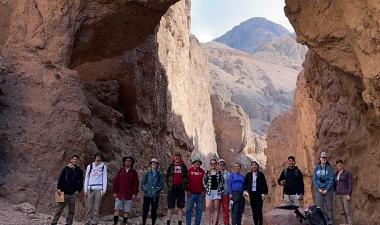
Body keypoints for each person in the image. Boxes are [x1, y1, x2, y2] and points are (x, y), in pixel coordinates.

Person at [51, 155, 83, 225]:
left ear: (78, 161)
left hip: (73, 194)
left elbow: (80, 181)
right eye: (74, 159)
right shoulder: (66, 169)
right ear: (71, 160)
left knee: (71, 210)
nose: (75, 160)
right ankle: (54, 222)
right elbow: (61, 179)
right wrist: (59, 188)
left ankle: (68, 223)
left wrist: (78, 190)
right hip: (63, 192)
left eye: (76, 159)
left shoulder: (79, 171)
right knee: (59, 209)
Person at [113, 156, 139, 225]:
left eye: (129, 161)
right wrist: (114, 191)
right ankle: (115, 223)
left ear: (131, 163)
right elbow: (116, 182)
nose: (127, 162)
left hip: (129, 194)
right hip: (120, 193)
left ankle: (124, 223)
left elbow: (136, 184)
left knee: (126, 211)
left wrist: (134, 194)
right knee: (116, 209)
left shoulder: (134, 172)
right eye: (126, 161)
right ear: (124, 162)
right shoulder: (120, 171)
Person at [165, 152, 189, 225]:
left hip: (180, 189)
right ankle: (168, 222)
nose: (177, 157)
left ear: (180, 157)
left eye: (178, 156)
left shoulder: (184, 166)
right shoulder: (171, 166)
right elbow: (166, 176)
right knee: (170, 207)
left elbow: (187, 177)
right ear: (174, 157)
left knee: (180, 207)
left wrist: (183, 185)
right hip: (171, 189)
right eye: (176, 156)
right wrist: (169, 184)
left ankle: (180, 223)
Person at [83, 152, 107, 225]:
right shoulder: (90, 166)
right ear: (95, 157)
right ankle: (86, 221)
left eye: (100, 156)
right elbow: (87, 178)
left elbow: (104, 178)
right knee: (89, 206)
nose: (98, 157)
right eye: (97, 156)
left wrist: (104, 190)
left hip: (99, 188)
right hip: (90, 188)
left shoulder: (103, 167)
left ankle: (94, 221)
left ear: (101, 158)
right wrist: (85, 190)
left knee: (97, 206)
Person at [313, 152, 335, 225]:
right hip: (318, 190)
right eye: (322, 158)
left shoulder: (329, 168)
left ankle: (330, 222)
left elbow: (332, 179)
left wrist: (327, 189)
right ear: (320, 158)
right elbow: (314, 179)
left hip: (328, 189)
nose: (323, 159)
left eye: (325, 158)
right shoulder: (317, 168)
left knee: (329, 207)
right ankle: (321, 222)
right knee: (319, 208)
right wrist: (318, 189)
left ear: (326, 159)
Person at [141, 158, 164, 225]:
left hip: (155, 195)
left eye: (155, 163)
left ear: (157, 165)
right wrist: (146, 190)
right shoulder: (147, 174)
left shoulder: (159, 174)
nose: (154, 164)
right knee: (145, 210)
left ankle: (153, 223)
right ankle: (143, 223)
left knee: (154, 211)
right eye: (152, 163)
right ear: (150, 164)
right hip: (147, 195)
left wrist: (156, 190)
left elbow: (162, 185)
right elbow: (142, 183)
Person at [203, 158, 224, 225]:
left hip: (217, 192)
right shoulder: (207, 172)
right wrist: (205, 185)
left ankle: (214, 223)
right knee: (207, 207)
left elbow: (222, 181)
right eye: (212, 163)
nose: (213, 165)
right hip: (209, 191)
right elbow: (204, 180)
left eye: (214, 163)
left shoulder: (219, 172)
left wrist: (221, 185)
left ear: (216, 164)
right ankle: (208, 223)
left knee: (215, 208)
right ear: (210, 164)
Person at [186, 157, 205, 225]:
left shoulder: (202, 171)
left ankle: (197, 224)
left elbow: (205, 182)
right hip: (191, 193)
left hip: (200, 194)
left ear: (200, 164)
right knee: (188, 210)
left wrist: (204, 191)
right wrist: (187, 190)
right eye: (195, 162)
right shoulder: (189, 170)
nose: (197, 163)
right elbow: (186, 181)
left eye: (198, 162)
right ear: (193, 163)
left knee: (199, 211)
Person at [335, 159, 353, 225]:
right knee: (342, 211)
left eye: (340, 163)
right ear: (336, 165)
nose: (339, 164)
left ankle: (350, 223)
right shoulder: (336, 174)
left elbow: (350, 184)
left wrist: (349, 194)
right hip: (338, 194)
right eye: (338, 163)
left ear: (343, 164)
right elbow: (334, 184)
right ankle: (345, 223)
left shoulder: (347, 173)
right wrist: (335, 190)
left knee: (347, 210)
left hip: (345, 194)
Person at [216, 159, 230, 225]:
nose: (221, 165)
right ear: (218, 165)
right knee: (216, 208)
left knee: (225, 207)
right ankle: (215, 222)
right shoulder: (215, 173)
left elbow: (229, 183)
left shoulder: (227, 174)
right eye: (220, 164)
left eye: (223, 164)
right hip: (217, 193)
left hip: (225, 193)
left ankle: (226, 222)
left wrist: (229, 191)